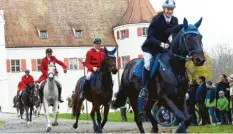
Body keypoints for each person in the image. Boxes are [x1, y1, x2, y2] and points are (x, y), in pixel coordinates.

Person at [138, 0, 179, 115]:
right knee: (147, 64)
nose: (170, 11)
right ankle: (144, 88)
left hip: (164, 49)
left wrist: (172, 43)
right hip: (150, 48)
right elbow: (150, 36)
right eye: (168, 9)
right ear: (164, 9)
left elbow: (174, 35)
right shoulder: (157, 19)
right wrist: (161, 43)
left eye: (171, 9)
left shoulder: (175, 20)